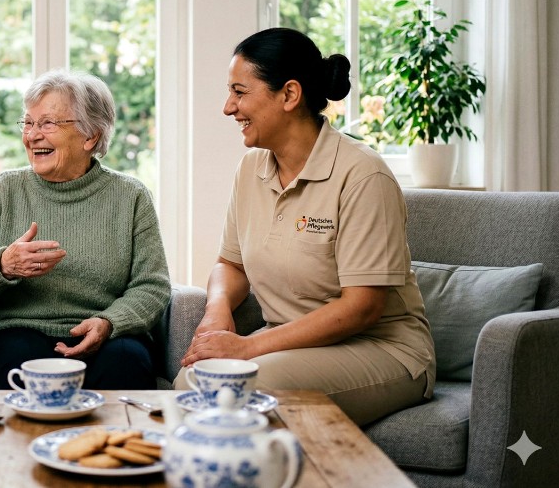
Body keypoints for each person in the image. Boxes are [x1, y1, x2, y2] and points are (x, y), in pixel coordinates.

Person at [177, 28, 435, 426]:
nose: (229, 107)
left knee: (234, 391)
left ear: (289, 95)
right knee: (188, 383)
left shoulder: (363, 175)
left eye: (240, 92)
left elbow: (362, 307)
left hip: (382, 350)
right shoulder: (251, 169)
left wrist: (248, 348)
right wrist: (216, 312)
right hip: (289, 345)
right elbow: (231, 264)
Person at [0, 69, 171, 390]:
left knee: (126, 366)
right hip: (17, 331)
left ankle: (108, 442)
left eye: (47, 123)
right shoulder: (4, 191)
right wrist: (3, 265)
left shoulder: (130, 196)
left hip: (106, 334)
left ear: (90, 136)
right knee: (29, 370)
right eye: (28, 123)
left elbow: (152, 285)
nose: (32, 135)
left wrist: (109, 322)